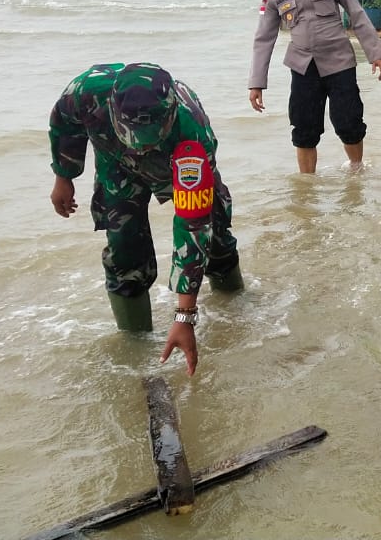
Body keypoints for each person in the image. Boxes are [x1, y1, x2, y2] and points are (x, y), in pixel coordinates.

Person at [48, 62, 242, 376]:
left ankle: (237, 309)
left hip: (174, 163)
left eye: (149, 138)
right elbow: (65, 124)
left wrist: (184, 316)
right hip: (116, 163)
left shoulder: (191, 133)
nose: (141, 146)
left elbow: (192, 225)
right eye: (134, 136)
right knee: (124, 250)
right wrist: (64, 176)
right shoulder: (86, 92)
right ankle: (136, 353)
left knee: (215, 239)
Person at [248, 0, 381, 173]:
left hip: (339, 62)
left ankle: (356, 172)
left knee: (349, 123)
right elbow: (263, 39)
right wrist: (256, 83)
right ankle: (307, 188)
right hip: (303, 67)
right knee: (304, 130)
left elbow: (356, 13)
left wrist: (376, 52)